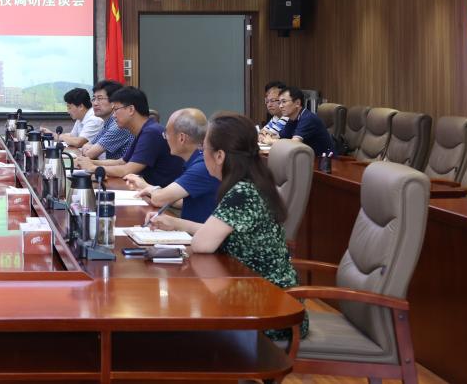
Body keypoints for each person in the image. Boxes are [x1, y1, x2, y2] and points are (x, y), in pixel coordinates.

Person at [146, 112, 307, 341]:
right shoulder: (249, 183)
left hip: (270, 307)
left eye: (204, 148)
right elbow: (216, 233)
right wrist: (174, 223)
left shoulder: (242, 192)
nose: (202, 153)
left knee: (180, 310)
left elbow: (202, 244)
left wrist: (178, 226)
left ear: (220, 156)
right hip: (257, 290)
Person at [124, 108, 219, 223]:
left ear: (181, 138)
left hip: (199, 232)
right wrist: (152, 190)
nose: (166, 138)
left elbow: (159, 199)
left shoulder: (202, 166)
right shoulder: (197, 160)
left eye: (167, 134)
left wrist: (145, 185)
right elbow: (182, 201)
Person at [76, 86, 183, 186]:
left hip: (163, 195)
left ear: (131, 110)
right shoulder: (144, 130)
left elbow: (127, 170)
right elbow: (121, 162)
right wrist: (91, 162)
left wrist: (93, 168)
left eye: (116, 110)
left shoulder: (151, 132)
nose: (114, 115)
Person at [76, 79, 134, 161]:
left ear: (113, 102)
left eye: (100, 99)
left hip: (122, 168)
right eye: (94, 99)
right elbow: (87, 145)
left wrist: (89, 149)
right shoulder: (107, 123)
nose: (95, 103)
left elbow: (90, 154)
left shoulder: (119, 125)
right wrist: (89, 148)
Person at [276, 86, 335, 156]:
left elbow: (294, 144)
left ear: (297, 103)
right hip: (307, 158)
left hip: (325, 160)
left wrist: (271, 141)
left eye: (284, 102)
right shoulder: (292, 118)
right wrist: (269, 137)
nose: (280, 106)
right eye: (279, 103)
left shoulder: (308, 118)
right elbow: (281, 137)